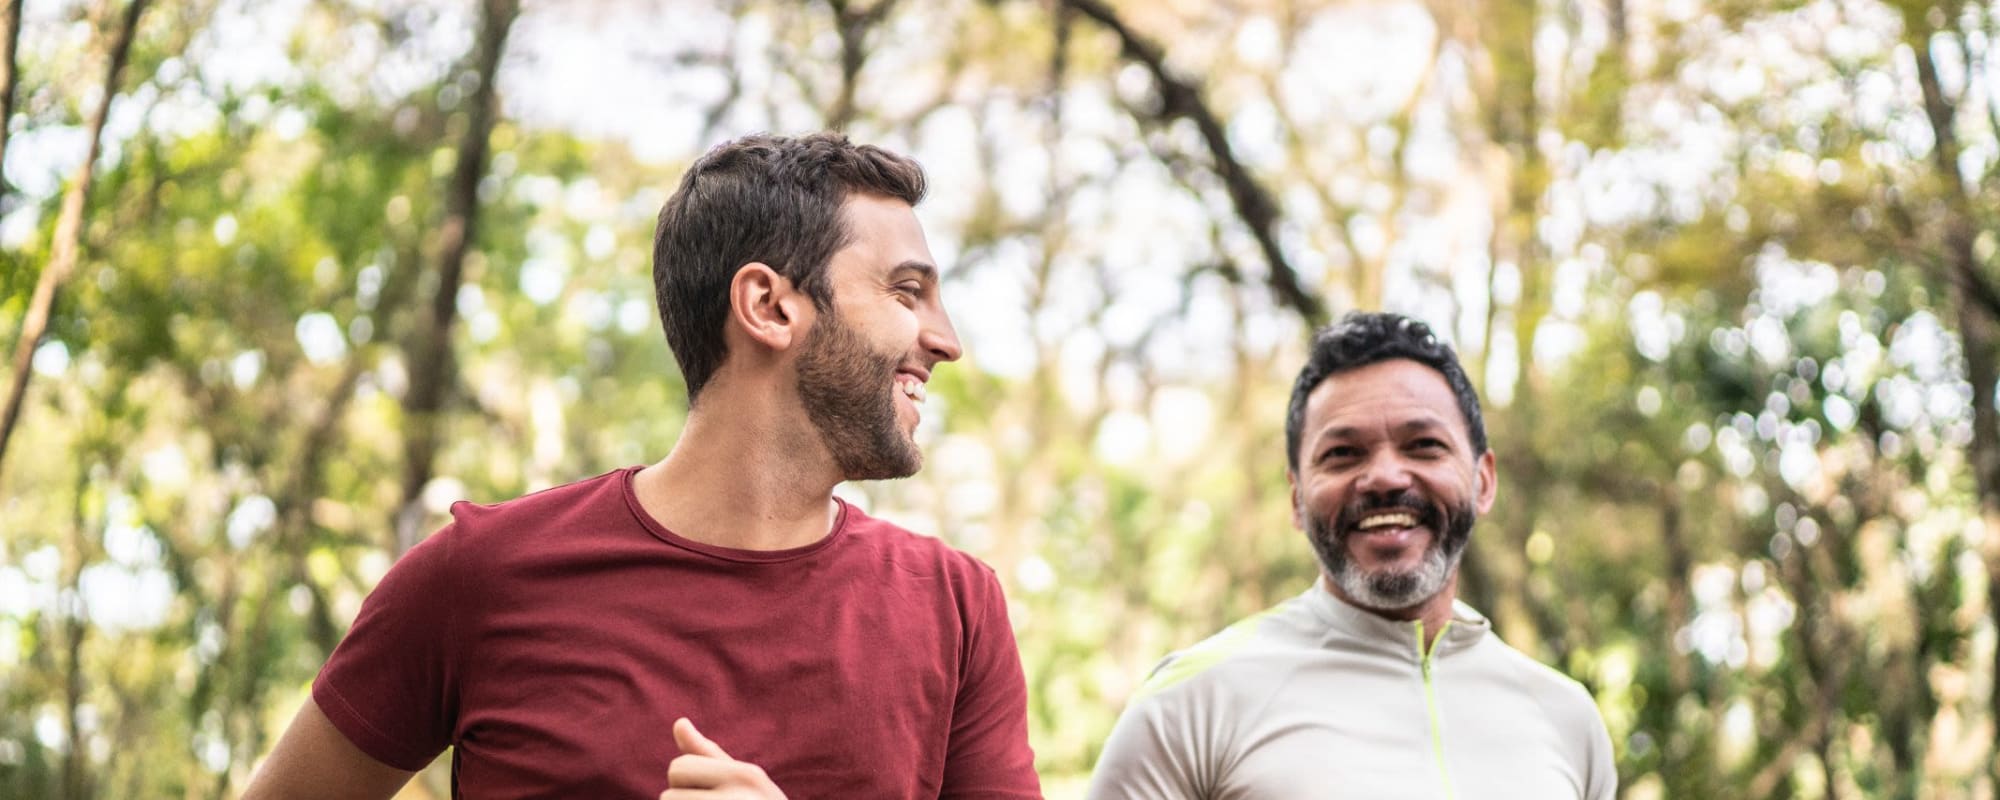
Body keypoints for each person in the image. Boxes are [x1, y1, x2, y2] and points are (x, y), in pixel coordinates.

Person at [243, 133, 1041, 799]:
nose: (947, 339)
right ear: (768, 306)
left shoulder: (958, 610)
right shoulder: (480, 577)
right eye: (908, 293)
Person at [1086, 311, 1616, 799]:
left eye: (1424, 444)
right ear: (1297, 498)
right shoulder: (1191, 702)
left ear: (1483, 480)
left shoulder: (1567, 718)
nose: (1385, 476)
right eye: (1342, 454)